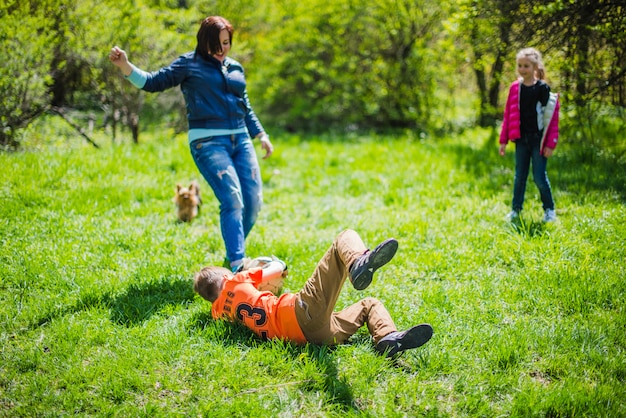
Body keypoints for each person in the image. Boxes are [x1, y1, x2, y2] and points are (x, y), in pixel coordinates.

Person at [109, 16, 273, 271]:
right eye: (216, 45)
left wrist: (261, 134)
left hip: (241, 139)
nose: (221, 50)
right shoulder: (189, 64)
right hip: (208, 141)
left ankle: (234, 251)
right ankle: (238, 264)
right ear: (203, 42)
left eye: (226, 43)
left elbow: (245, 106)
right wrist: (126, 66)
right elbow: (154, 82)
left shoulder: (235, 68)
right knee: (232, 199)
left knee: (252, 203)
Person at [193, 229, 433, 358]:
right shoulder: (237, 280)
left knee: (368, 304)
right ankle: (357, 261)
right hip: (300, 312)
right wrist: (268, 267)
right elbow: (278, 267)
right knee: (344, 237)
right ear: (226, 277)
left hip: (312, 338)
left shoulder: (218, 315)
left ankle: (387, 339)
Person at [499, 47, 560, 223]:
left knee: (540, 177)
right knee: (520, 177)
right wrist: (503, 140)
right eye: (520, 65)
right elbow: (508, 115)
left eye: (526, 65)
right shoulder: (515, 88)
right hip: (521, 140)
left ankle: (549, 210)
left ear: (534, 67)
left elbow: (551, 116)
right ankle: (515, 210)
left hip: (538, 140)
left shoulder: (542, 88)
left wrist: (550, 143)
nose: (522, 69)